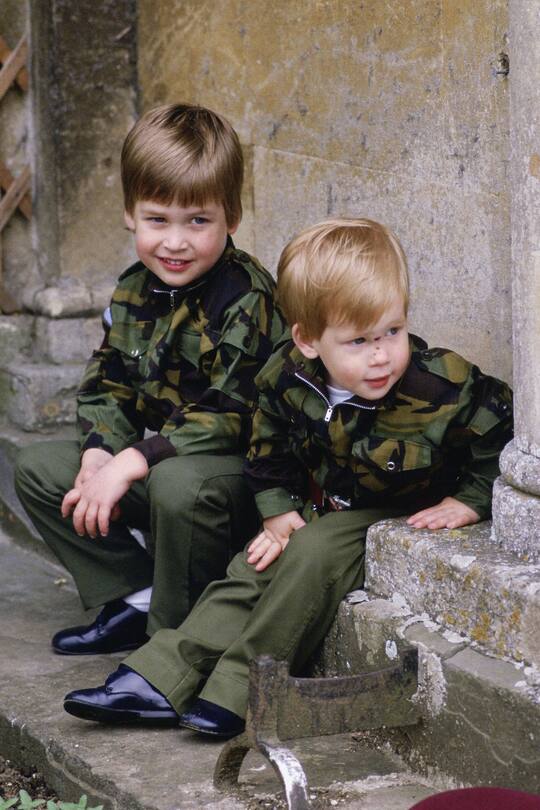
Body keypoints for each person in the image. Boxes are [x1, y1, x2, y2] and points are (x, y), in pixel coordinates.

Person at [59, 218, 513, 736]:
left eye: (393, 330)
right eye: (359, 340)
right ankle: (160, 674)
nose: (382, 355)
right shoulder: (287, 375)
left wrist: (473, 499)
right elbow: (266, 444)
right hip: (328, 501)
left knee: (312, 553)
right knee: (252, 565)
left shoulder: (441, 386)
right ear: (309, 340)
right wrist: (276, 511)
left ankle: (240, 688)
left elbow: (501, 427)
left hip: (397, 509)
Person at [15, 103, 287, 656]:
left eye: (198, 221)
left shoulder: (247, 297)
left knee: (177, 483)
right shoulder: (133, 289)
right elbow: (109, 382)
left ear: (232, 217)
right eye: (157, 219)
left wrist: (132, 461)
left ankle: (173, 645)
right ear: (130, 215)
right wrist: (99, 453)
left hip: (234, 483)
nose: (175, 242)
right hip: (161, 464)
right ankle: (136, 598)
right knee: (41, 470)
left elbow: (231, 413)